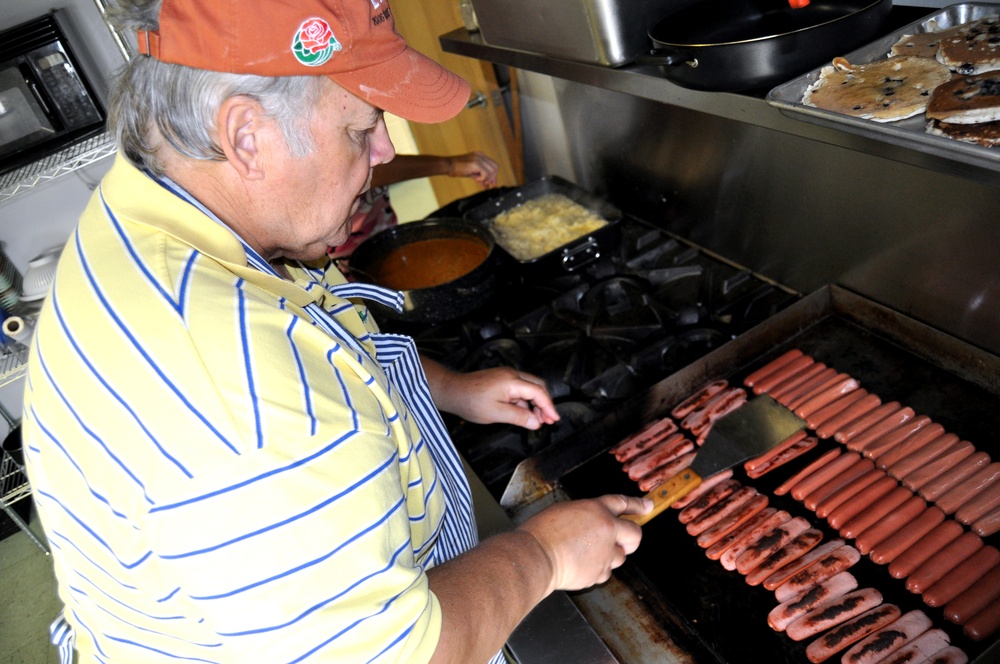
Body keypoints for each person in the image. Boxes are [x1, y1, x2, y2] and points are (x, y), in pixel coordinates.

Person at [21, 1, 650, 662]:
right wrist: (543, 555)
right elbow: (402, 656)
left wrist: (451, 388)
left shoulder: (160, 211)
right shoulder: (240, 396)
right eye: (361, 130)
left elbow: (319, 323)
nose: (385, 153)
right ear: (246, 137)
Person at [329, 151, 499, 269]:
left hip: (378, 230)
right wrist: (449, 165)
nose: (387, 149)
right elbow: (352, 172)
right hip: (343, 261)